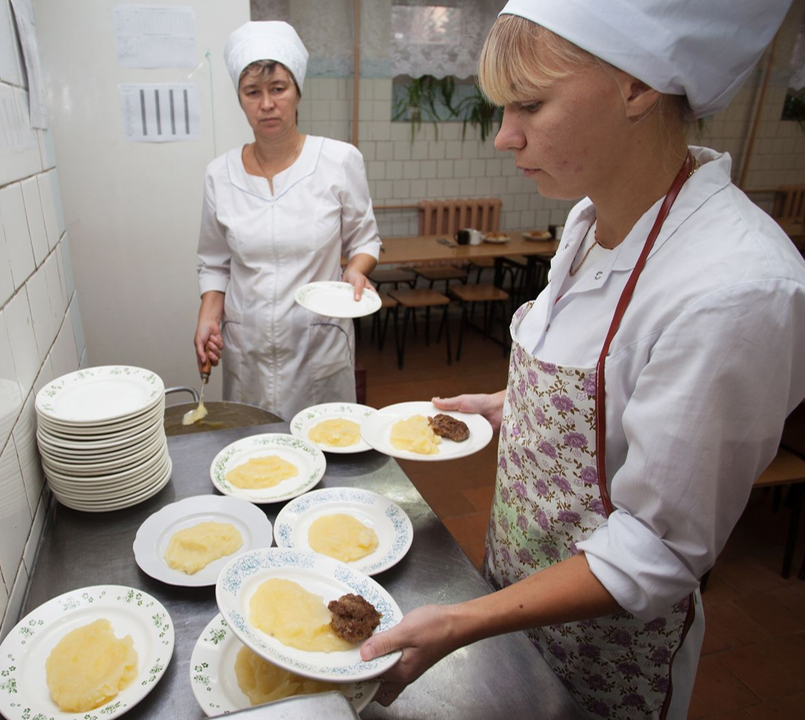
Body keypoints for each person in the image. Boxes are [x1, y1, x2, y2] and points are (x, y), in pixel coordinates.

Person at [360, 1, 805, 717]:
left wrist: (463, 620)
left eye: (530, 105)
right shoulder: (589, 220)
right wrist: (508, 407)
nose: (505, 136)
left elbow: (657, 550)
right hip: (517, 595)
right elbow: (611, 396)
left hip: (609, 652)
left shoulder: (735, 288)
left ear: (637, 85)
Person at [194, 21, 381, 422]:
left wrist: (355, 271)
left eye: (278, 88)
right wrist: (208, 316)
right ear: (240, 98)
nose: (266, 104)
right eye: (252, 92)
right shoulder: (219, 175)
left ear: (297, 91)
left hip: (319, 346)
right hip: (248, 350)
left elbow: (366, 240)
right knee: (254, 460)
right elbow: (213, 262)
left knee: (325, 455)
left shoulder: (339, 161)